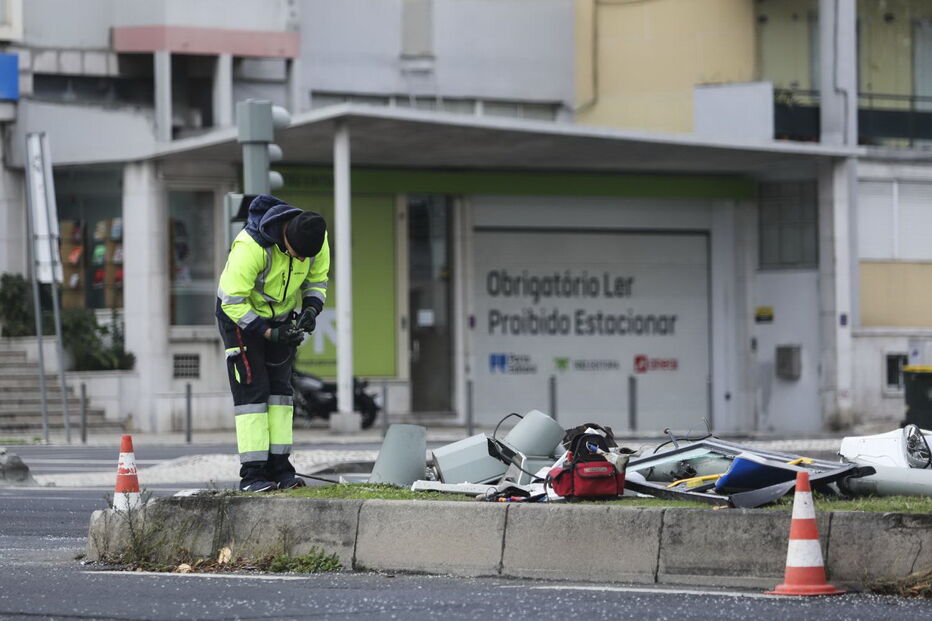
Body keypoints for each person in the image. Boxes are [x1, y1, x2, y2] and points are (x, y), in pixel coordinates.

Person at [216, 194, 330, 492]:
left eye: (307, 256)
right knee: (254, 393)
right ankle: (252, 475)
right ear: (285, 239)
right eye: (297, 255)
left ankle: (281, 469)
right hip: (239, 318)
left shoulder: (315, 238)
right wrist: (268, 333)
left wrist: (310, 310)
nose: (303, 261)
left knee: (281, 393)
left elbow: (317, 281)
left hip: (280, 316)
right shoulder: (251, 247)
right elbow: (232, 300)